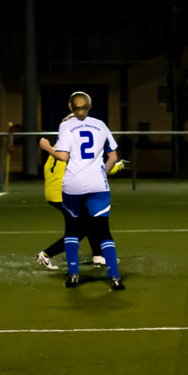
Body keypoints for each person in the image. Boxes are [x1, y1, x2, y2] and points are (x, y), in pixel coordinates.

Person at [39, 92, 125, 290]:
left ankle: (74, 274)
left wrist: (45, 146)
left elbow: (62, 156)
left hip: (73, 186)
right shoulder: (100, 124)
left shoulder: (66, 126)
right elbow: (112, 156)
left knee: (73, 229)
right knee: (103, 230)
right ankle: (114, 277)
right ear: (90, 106)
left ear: (71, 107)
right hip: (97, 184)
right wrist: (103, 171)